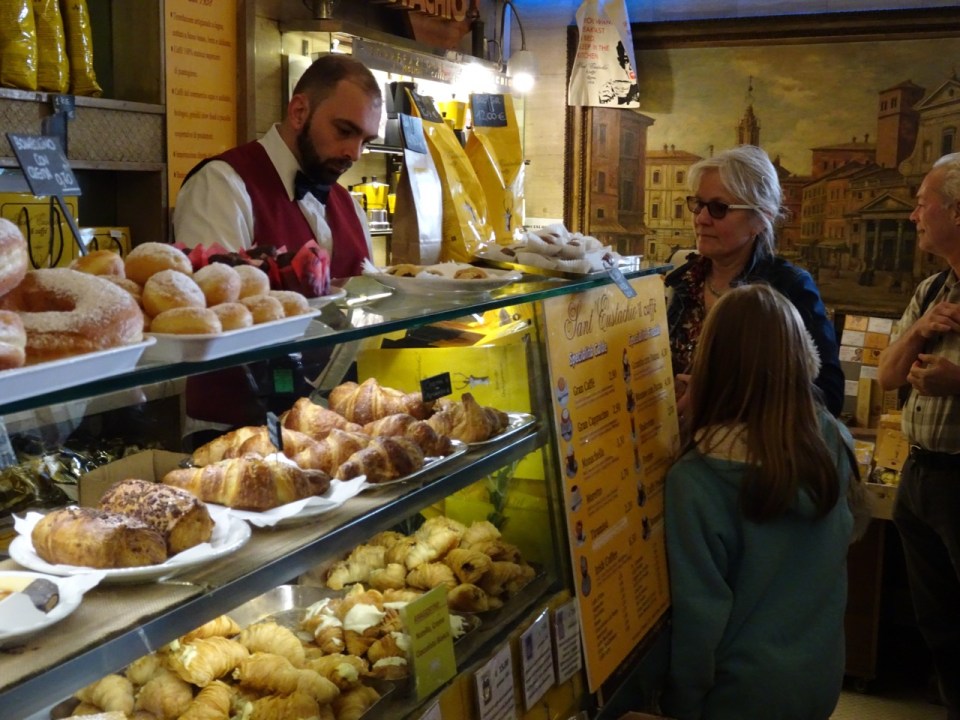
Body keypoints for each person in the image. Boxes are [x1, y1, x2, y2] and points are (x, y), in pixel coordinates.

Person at [661, 284, 867, 720]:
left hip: (738, 695)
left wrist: (682, 706)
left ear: (710, 364)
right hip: (817, 676)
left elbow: (699, 621)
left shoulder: (697, 481)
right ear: (799, 360)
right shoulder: (833, 439)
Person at [665, 145, 844, 418]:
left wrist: (718, 397)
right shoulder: (680, 281)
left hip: (750, 456)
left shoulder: (789, 288)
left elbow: (828, 397)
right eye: (698, 204)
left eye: (718, 208)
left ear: (761, 219)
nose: (701, 218)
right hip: (677, 453)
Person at [174, 53, 383, 279]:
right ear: (299, 112)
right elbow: (216, 300)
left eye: (366, 141)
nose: (355, 153)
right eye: (344, 131)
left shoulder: (351, 207)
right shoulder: (220, 186)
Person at [877, 152, 960, 718]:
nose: (913, 216)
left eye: (923, 203)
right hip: (920, 475)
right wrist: (921, 332)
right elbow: (886, 376)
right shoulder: (933, 290)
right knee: (940, 622)